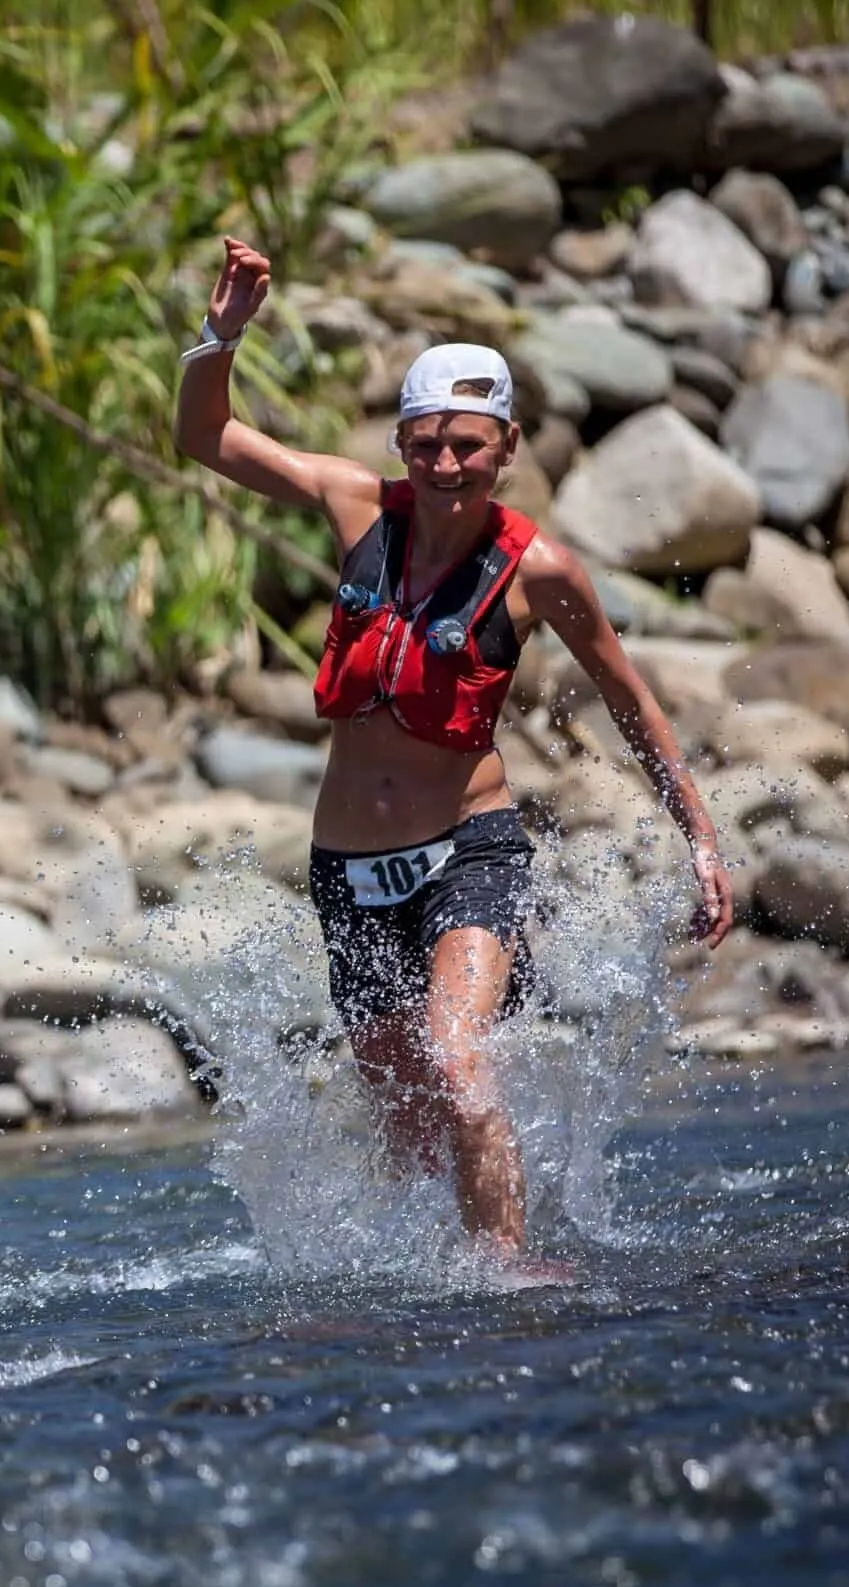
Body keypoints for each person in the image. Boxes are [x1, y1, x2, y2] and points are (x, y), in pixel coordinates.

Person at [173, 236, 734, 1269]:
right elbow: (206, 437)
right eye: (425, 442)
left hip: (468, 852)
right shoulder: (354, 507)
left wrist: (699, 839)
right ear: (399, 441)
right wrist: (221, 335)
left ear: (507, 446)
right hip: (346, 872)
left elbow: (630, 703)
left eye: (467, 445)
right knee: (405, 1111)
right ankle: (445, 1264)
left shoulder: (541, 572)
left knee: (458, 1059)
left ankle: (510, 1277)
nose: (443, 464)